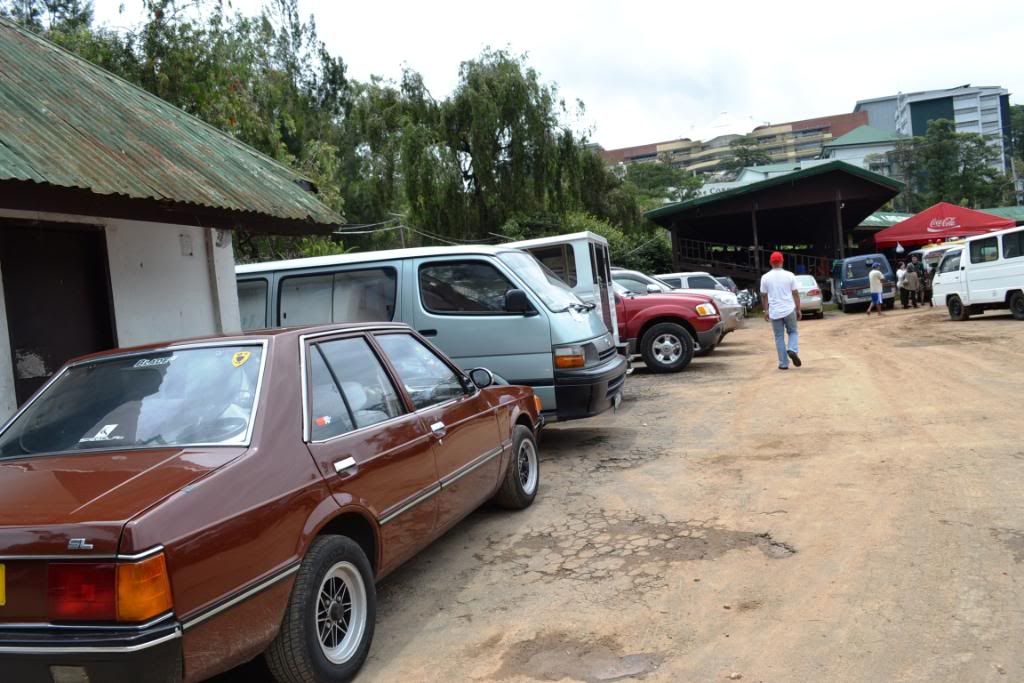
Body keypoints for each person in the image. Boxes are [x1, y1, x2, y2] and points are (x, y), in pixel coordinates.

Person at [760, 251, 802, 370]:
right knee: (793, 332)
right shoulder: (790, 275)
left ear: (770, 263)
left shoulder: (765, 277)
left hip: (774, 311)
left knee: (779, 337)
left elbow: (764, 295)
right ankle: (792, 349)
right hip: (789, 309)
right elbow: (795, 293)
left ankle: (783, 363)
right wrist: (798, 309)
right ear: (782, 261)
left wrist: (766, 310)